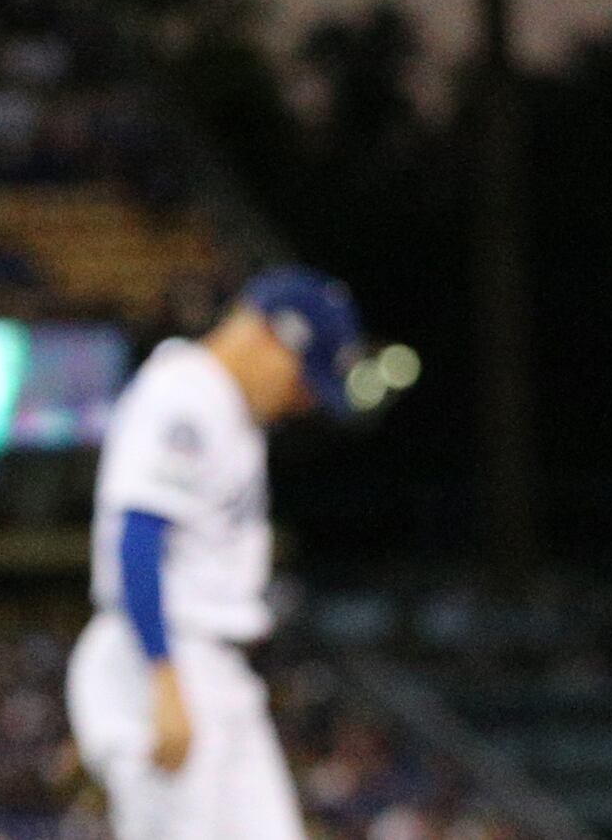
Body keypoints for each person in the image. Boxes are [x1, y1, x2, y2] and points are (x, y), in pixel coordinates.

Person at [65, 269, 381, 840]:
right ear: (269, 336)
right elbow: (138, 536)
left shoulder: (227, 409)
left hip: (213, 664)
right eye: (302, 377)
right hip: (164, 650)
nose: (302, 398)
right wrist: (161, 676)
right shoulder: (185, 392)